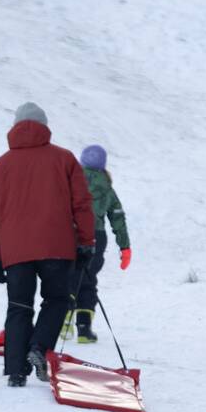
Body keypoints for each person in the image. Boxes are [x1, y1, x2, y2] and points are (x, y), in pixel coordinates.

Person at [0, 103, 95, 387]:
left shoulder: (0, 166)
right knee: (56, 300)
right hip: (57, 246)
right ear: (44, 126)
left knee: (19, 306)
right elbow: (81, 204)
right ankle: (38, 347)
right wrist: (86, 241)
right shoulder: (65, 159)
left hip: (15, 251)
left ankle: (17, 372)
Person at [63, 144, 131, 343]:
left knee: (69, 276)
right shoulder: (107, 188)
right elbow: (118, 217)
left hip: (71, 234)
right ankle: (84, 329)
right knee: (88, 279)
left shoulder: (70, 182)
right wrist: (124, 247)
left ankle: (64, 323)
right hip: (97, 236)